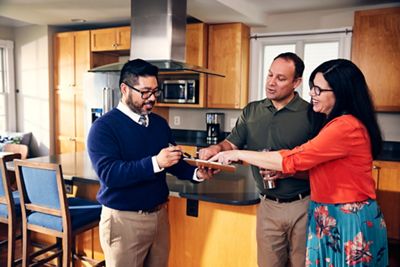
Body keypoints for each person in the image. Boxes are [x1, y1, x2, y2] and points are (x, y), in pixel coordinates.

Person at [209, 59, 388, 267]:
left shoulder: (344, 127)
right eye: (313, 87)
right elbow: (323, 170)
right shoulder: (339, 123)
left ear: (341, 93)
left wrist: (238, 154)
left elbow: (293, 158)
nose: (312, 93)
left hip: (346, 220)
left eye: (319, 90)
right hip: (331, 214)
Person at [87, 59, 212, 267]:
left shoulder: (159, 124)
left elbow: (174, 162)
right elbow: (110, 174)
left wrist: (197, 173)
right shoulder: (103, 128)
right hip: (124, 221)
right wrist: (156, 162)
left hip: (159, 217)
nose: (152, 98)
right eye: (145, 92)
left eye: (155, 91)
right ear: (124, 89)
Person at [199, 52, 313, 267]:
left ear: (296, 82)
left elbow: (320, 167)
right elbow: (232, 144)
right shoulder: (252, 110)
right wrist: (215, 148)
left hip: (303, 205)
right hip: (268, 205)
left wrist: (287, 172)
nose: (271, 83)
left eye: (280, 78)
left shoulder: (311, 114)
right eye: (269, 75)